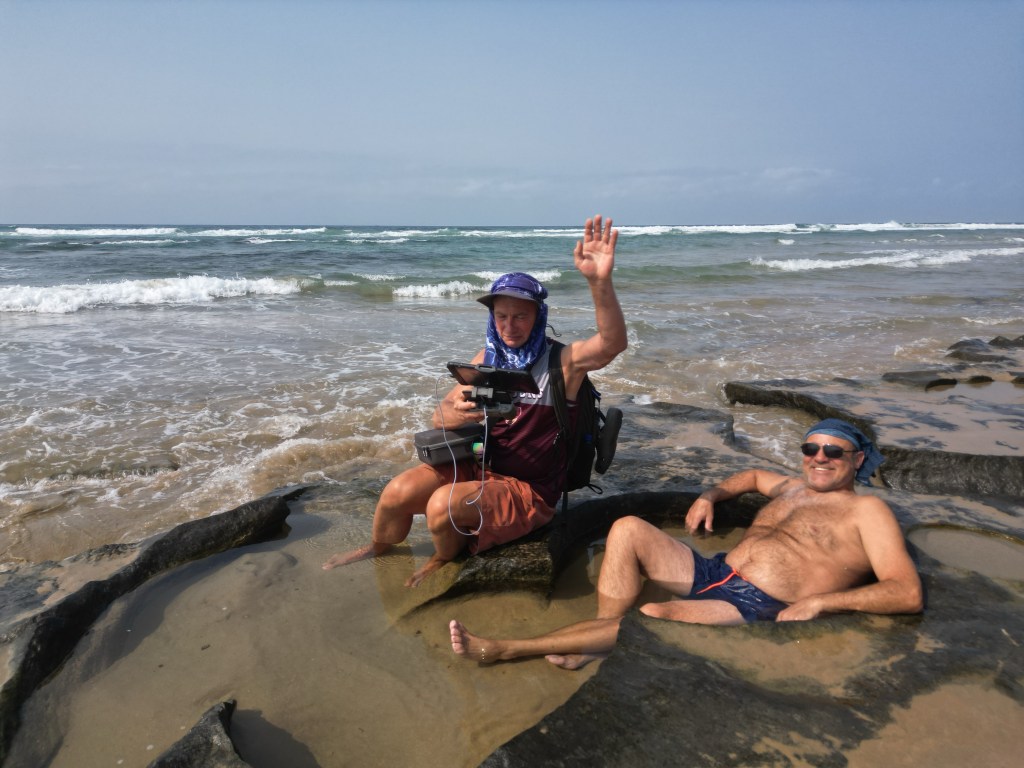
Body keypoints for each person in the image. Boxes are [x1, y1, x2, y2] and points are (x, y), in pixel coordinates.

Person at [450, 418, 924, 668]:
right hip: (716, 571)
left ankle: (509, 648)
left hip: (756, 603)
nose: (819, 458)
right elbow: (755, 475)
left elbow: (906, 591)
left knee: (653, 617)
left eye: (833, 452)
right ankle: (598, 635)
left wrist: (822, 602)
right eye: (810, 449)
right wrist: (710, 494)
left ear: (856, 459)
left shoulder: (867, 511)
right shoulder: (793, 487)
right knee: (628, 527)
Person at [323, 215, 628, 587]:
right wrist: (455, 412)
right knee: (395, 493)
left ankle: (442, 559)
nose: (509, 326)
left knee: (441, 507)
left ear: (538, 317)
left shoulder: (562, 362)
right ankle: (379, 548)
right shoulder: (487, 359)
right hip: (482, 470)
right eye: (501, 316)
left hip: (529, 490)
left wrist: (600, 282)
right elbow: (439, 416)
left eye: (520, 316)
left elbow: (611, 344)